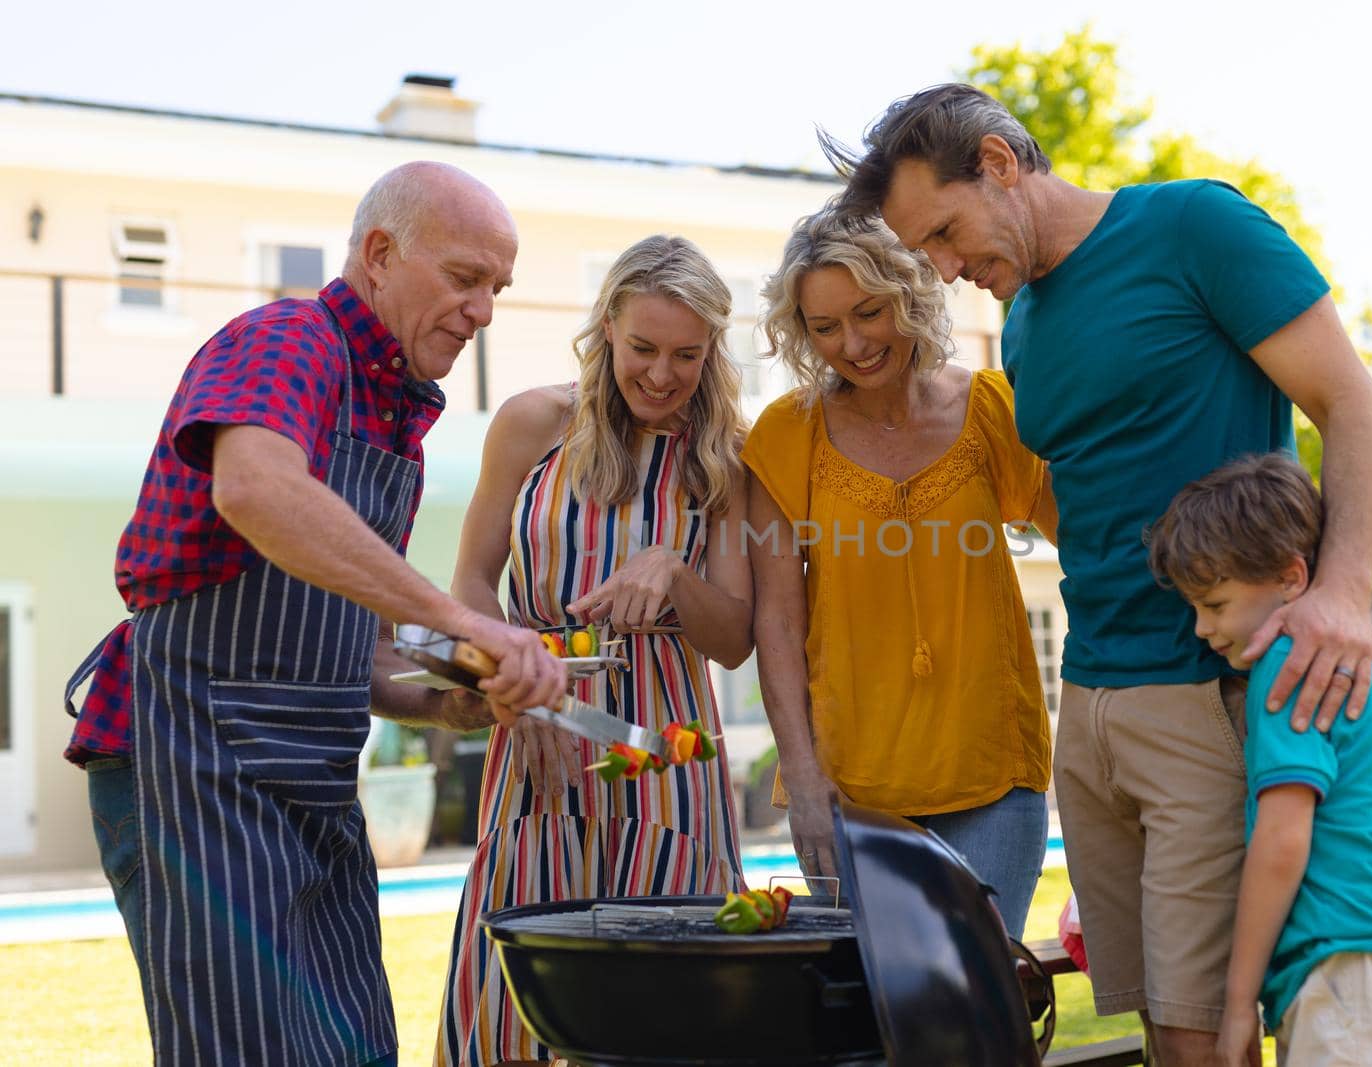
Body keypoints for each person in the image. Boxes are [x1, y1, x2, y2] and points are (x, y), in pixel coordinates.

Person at [823, 84, 1372, 1063]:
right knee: (1142, 1014)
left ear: (1002, 163)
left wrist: (1339, 589)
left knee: (1199, 1028)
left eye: (946, 234)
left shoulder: (1194, 226)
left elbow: (1351, 405)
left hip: (1198, 688)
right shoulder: (1028, 322)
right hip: (1087, 700)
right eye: (928, 255)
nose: (947, 270)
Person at [61, 161, 568, 1067]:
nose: (483, 311)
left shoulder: (395, 422)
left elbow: (353, 647)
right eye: (464, 278)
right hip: (191, 761)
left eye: (497, 288)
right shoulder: (287, 339)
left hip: (314, 786)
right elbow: (254, 489)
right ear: (379, 254)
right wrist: (468, 621)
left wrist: (450, 697)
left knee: (357, 1044)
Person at [434, 235, 753, 1067]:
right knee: (520, 985)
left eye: (687, 353)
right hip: (541, 720)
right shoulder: (533, 423)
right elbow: (470, 578)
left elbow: (731, 640)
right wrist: (508, 670)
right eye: (643, 347)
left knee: (675, 994)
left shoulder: (724, 455)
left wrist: (675, 573)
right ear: (606, 327)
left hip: (666, 748)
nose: (661, 373)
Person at [743, 207, 1056, 936]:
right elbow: (779, 622)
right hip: (850, 792)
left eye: (869, 311)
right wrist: (805, 778)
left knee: (970, 1019)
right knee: (866, 1024)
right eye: (824, 327)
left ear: (909, 292)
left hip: (993, 776)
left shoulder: (992, 409)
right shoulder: (787, 435)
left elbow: (1087, 541)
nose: (852, 343)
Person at [1147, 453, 1372, 1066]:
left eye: (1214, 604)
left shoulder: (1286, 672)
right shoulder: (1350, 663)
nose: (1202, 629)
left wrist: (1239, 1000)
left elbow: (1282, 842)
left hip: (1344, 975)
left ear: (1291, 578)